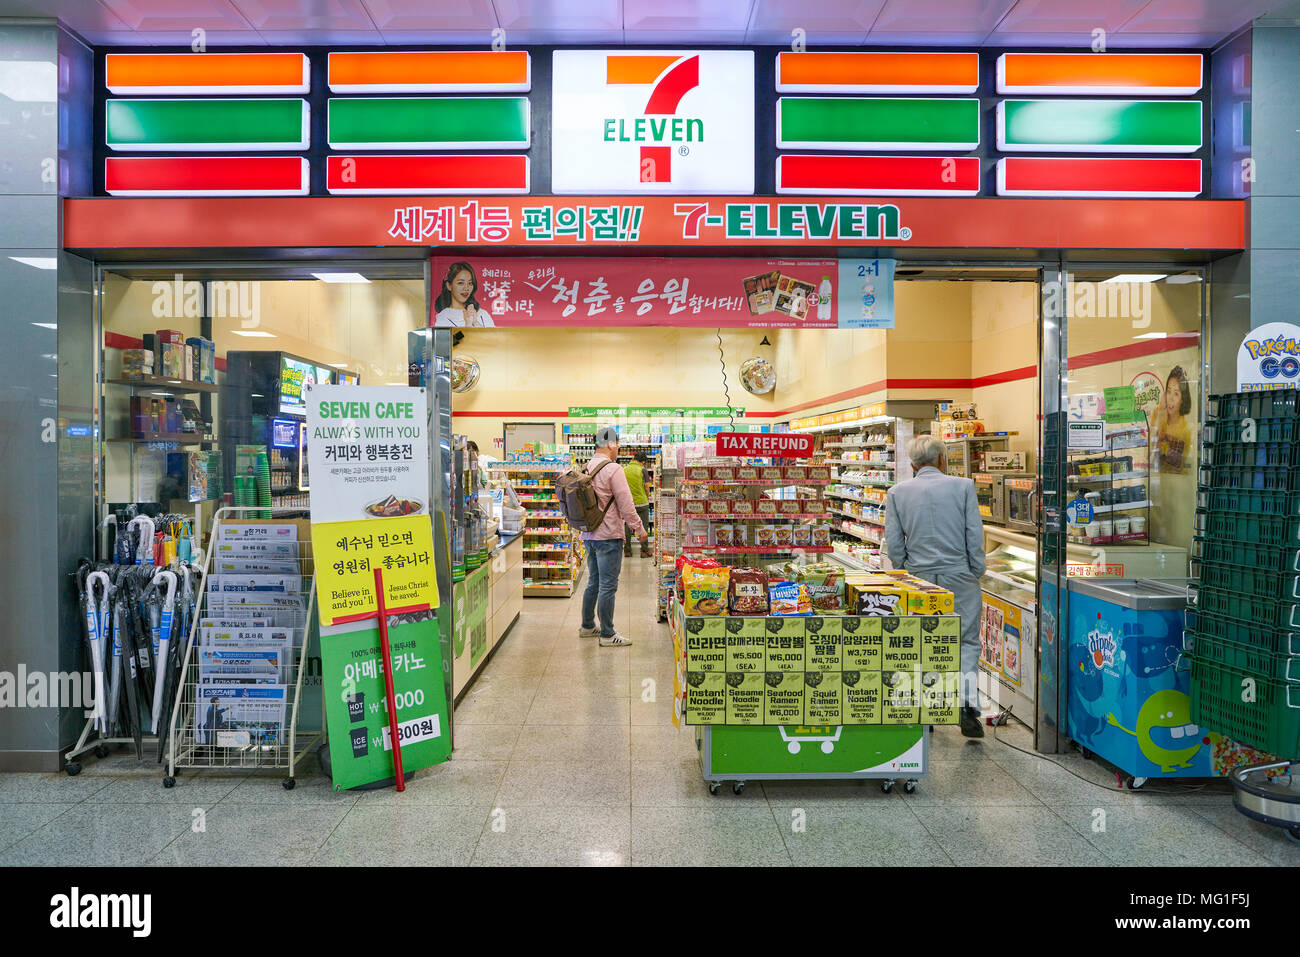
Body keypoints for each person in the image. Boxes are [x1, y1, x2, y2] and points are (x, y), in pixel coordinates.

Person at [885, 434, 987, 738]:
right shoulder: (963, 487)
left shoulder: (897, 492)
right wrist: (975, 570)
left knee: (920, 639)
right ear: (942, 459)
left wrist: (904, 571)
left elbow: (894, 541)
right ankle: (966, 705)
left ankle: (924, 709)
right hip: (959, 576)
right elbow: (974, 533)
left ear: (913, 464)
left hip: (918, 578)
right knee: (965, 640)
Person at [578, 426, 647, 647]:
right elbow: (626, 505)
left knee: (594, 581)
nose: (618, 448)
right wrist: (639, 528)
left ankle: (587, 626)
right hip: (608, 535)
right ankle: (607, 634)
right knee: (608, 585)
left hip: (589, 534)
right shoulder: (613, 469)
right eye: (617, 443)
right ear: (610, 444)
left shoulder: (586, 467)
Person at [1151, 365, 1192, 473]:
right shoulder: (1158, 412)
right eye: (1168, 392)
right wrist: (1160, 413)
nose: (1171, 398)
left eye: (1176, 394)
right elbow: (1150, 447)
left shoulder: (1185, 430)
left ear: (1183, 399)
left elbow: (1171, 463)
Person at [433, 261, 496, 328]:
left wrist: (475, 322)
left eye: (470, 283)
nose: (466, 288)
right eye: (460, 283)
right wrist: (468, 325)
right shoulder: (443, 317)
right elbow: (452, 338)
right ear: (449, 285)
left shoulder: (482, 314)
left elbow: (493, 337)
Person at [623, 450, 652, 558]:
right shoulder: (642, 470)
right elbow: (646, 487)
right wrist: (647, 496)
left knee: (627, 527)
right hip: (641, 503)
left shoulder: (624, 469)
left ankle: (627, 550)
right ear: (643, 462)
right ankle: (644, 551)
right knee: (643, 526)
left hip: (628, 503)